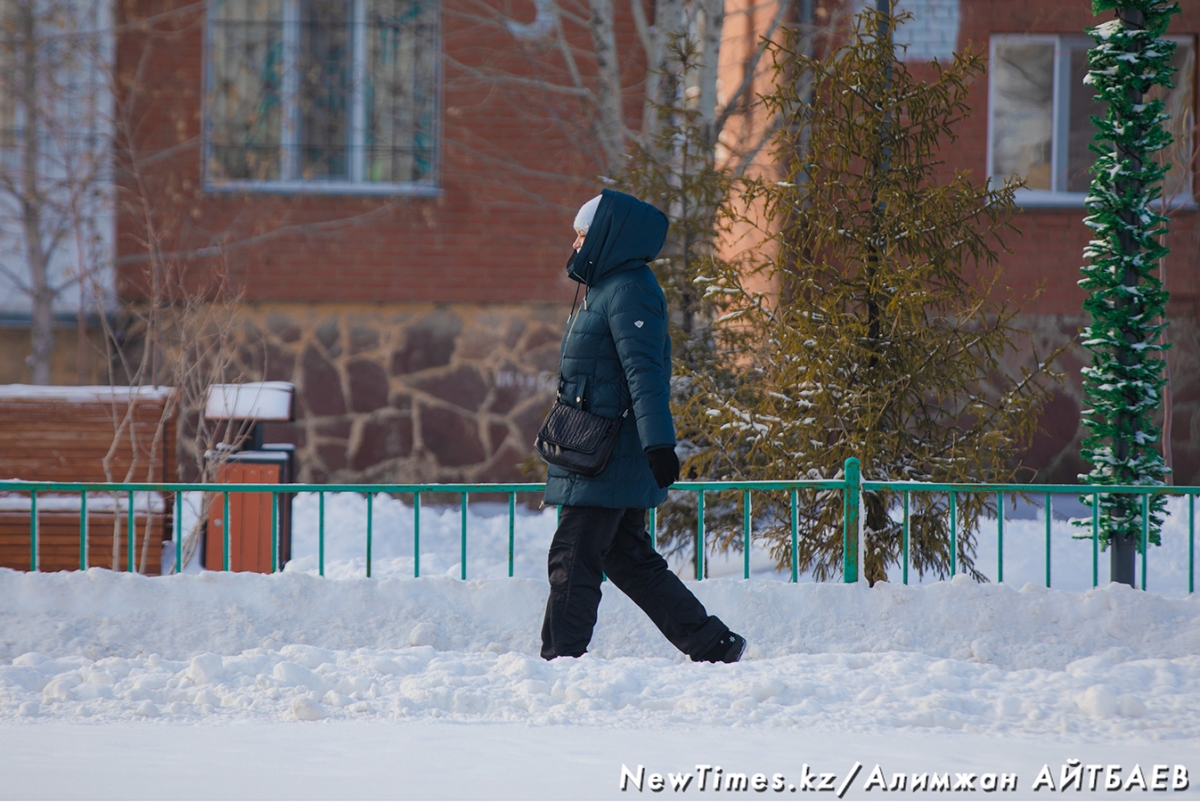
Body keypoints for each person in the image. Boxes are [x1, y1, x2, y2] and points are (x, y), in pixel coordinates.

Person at [540, 189, 746, 664]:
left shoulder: (629, 289)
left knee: (573, 557)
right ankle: (712, 643)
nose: (575, 244)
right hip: (597, 448)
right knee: (626, 557)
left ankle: (560, 661)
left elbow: (644, 372)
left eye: (582, 234)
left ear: (606, 235)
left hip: (608, 455)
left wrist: (659, 445)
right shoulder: (607, 287)